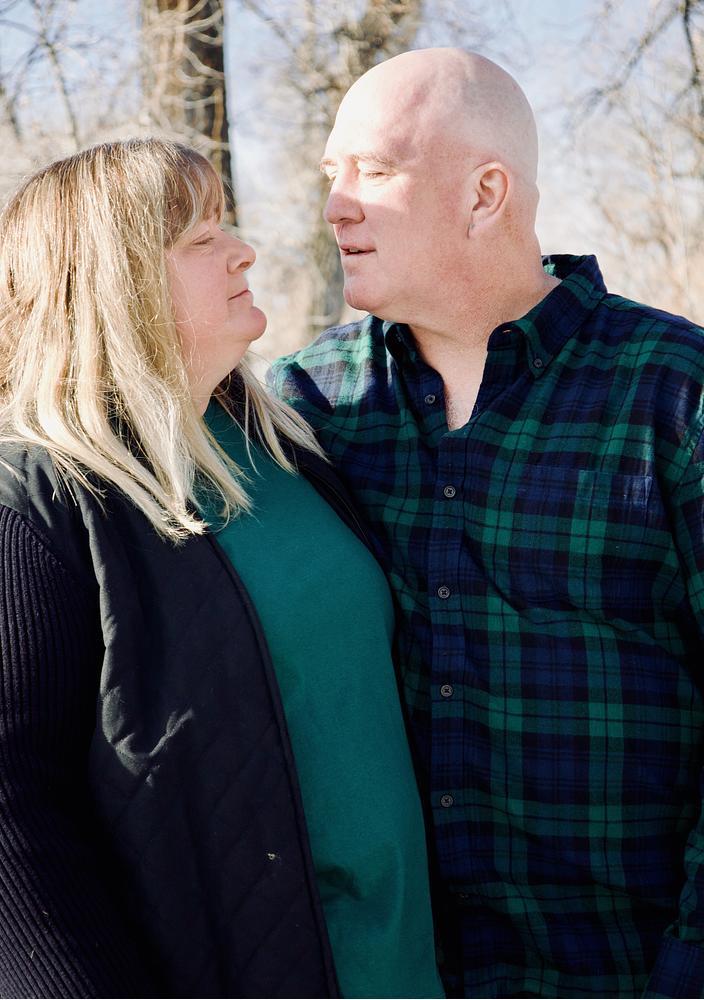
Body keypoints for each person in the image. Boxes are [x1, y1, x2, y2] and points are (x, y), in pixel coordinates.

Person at [272, 48, 704, 998]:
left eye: (375, 171)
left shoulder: (687, 393)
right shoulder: (311, 407)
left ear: (486, 194)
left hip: (644, 968)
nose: (336, 206)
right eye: (330, 174)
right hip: (405, 978)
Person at [0, 137, 443, 999]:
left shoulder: (284, 446)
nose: (243, 250)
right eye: (202, 239)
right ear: (116, 283)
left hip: (404, 971)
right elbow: (13, 816)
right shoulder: (41, 501)